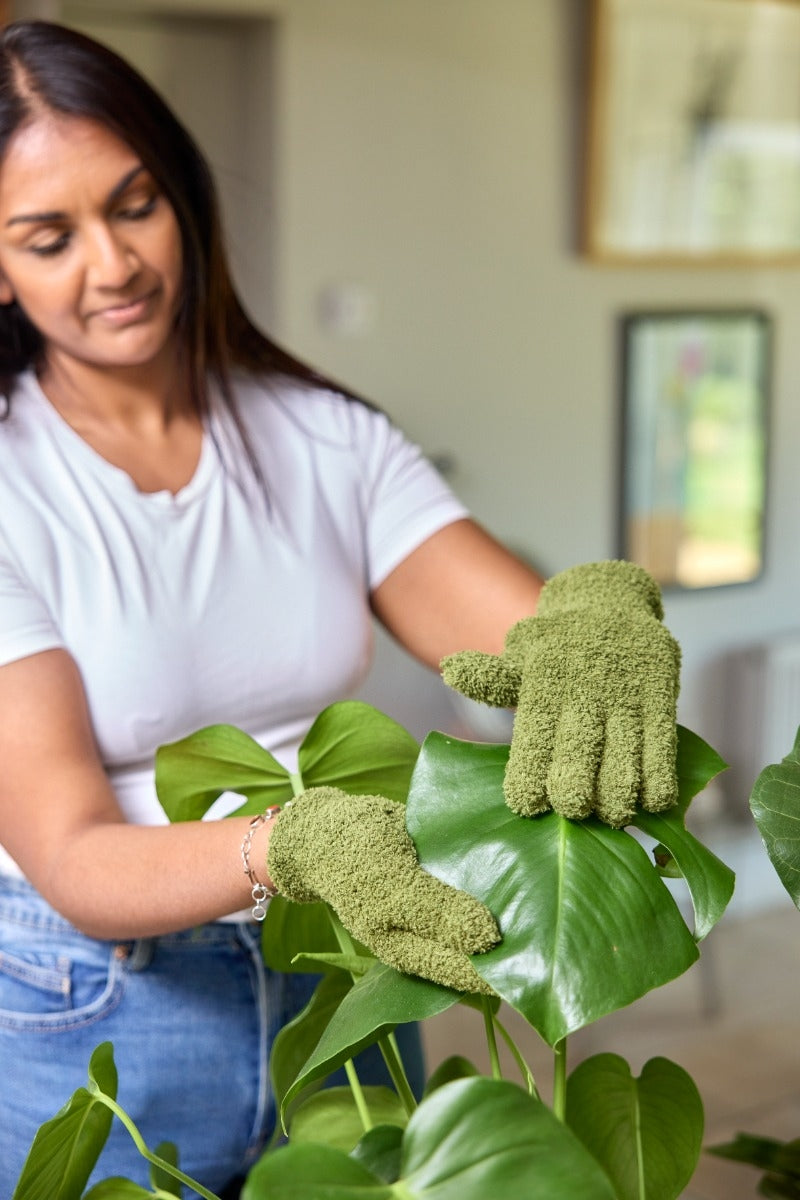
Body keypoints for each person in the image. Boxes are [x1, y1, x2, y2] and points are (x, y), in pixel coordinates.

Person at [0, 19, 545, 1195]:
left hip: (346, 970)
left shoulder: (320, 436)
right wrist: (292, 845)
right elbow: (73, 854)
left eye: (135, 205)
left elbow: (521, 639)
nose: (113, 265)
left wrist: (592, 629)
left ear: (183, 198)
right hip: (102, 1004)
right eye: (48, 238)